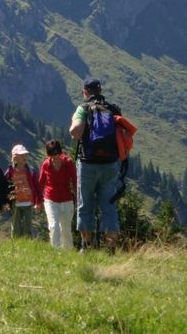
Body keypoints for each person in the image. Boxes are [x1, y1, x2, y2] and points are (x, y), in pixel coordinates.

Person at [69, 77, 125, 253]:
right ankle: (111, 247)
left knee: (85, 204)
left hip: (87, 164)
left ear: (85, 91)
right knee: (109, 205)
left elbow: (75, 132)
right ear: (100, 91)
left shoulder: (83, 108)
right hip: (110, 164)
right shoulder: (113, 109)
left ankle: (86, 246)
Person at [38, 140, 77, 249]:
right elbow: (41, 183)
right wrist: (38, 200)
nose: (54, 157)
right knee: (53, 226)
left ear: (60, 152)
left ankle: (68, 252)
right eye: (51, 155)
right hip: (50, 199)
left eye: (56, 154)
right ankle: (55, 252)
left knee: (66, 229)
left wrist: (78, 199)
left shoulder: (68, 163)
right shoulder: (46, 164)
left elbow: (75, 181)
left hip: (66, 199)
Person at [4, 144, 42, 238]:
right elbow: (5, 187)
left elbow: (37, 187)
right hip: (15, 203)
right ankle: (16, 243)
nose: (25, 157)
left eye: (26, 155)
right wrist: (6, 202)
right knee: (16, 227)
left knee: (28, 226)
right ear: (15, 157)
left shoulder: (31, 171)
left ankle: (28, 243)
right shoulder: (10, 172)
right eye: (21, 155)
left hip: (28, 203)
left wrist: (38, 202)